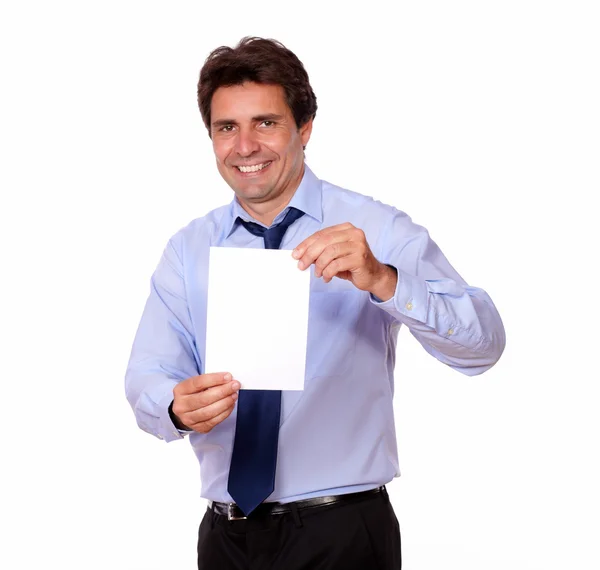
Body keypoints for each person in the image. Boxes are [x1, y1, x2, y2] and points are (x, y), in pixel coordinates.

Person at [125, 36, 505, 570]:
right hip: (226, 537)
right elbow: (148, 372)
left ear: (304, 128)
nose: (245, 146)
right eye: (226, 128)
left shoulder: (377, 229)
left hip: (342, 534)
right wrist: (172, 404)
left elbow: (483, 345)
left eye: (266, 122)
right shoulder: (189, 250)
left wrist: (384, 279)